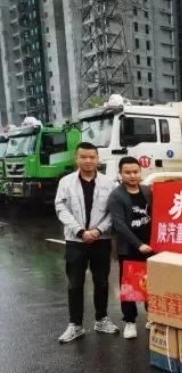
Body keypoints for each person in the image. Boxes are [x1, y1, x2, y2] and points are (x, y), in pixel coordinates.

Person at [55, 142, 119, 343]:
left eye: (92, 157)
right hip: (76, 240)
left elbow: (113, 212)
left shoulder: (109, 183)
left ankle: (101, 319)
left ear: (98, 159)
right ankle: (75, 325)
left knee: (101, 281)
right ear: (76, 159)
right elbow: (61, 208)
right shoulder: (66, 182)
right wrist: (80, 231)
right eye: (83, 157)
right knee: (75, 284)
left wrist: (99, 230)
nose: (88, 161)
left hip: (101, 240)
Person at [107, 156, 153, 339]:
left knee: (152, 283)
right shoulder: (116, 196)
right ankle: (130, 321)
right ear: (120, 174)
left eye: (135, 172)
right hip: (130, 247)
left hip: (150, 247)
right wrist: (138, 244)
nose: (132, 176)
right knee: (130, 286)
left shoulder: (147, 191)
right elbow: (119, 225)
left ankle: (152, 316)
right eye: (127, 172)